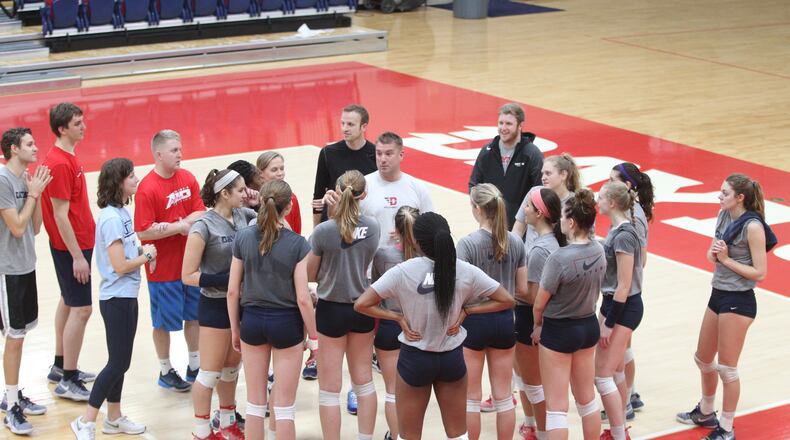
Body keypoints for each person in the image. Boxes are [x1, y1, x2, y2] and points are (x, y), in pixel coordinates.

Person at [355, 212, 515, 440]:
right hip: (451, 357)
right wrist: (468, 310)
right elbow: (507, 299)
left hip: (415, 359)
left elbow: (362, 304)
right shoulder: (464, 270)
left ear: (416, 242)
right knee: (458, 435)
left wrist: (397, 317)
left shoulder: (404, 271)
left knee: (408, 436)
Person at [677, 174, 775, 440]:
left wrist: (726, 260)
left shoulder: (752, 226)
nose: (719, 197)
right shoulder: (723, 216)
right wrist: (716, 255)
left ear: (740, 197)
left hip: (739, 299)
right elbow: (712, 254)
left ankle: (727, 427)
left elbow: (760, 272)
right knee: (703, 358)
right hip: (718, 292)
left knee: (727, 368)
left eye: (724, 193)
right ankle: (706, 411)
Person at [228, 180, 318, 440]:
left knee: (255, 406)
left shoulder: (243, 237)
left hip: (252, 322)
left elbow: (234, 290)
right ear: (288, 207)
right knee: (284, 408)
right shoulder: (298, 243)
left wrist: (236, 328)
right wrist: (313, 338)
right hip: (286, 324)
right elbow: (303, 297)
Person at [71, 158, 153, 440]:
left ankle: (114, 418)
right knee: (117, 362)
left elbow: (125, 254)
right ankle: (86, 420)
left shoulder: (121, 212)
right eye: (131, 176)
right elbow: (120, 266)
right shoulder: (110, 219)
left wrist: (140, 250)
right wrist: (147, 256)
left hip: (126, 295)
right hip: (116, 298)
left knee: (122, 360)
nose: (136, 178)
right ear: (118, 182)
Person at [182, 169, 256, 440]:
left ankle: (227, 422)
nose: (245, 193)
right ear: (224, 193)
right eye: (240, 190)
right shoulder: (203, 227)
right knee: (209, 373)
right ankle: (201, 432)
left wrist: (260, 201)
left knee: (230, 369)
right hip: (214, 304)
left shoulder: (244, 215)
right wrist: (228, 279)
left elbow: (270, 224)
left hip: (240, 303)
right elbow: (187, 275)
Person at [307, 170, 380, 440]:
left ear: (336, 192)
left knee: (329, 387)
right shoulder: (373, 226)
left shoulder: (324, 230)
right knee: (363, 381)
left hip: (330, 310)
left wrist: (330, 215)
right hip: (361, 307)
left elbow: (309, 274)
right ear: (365, 195)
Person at [134, 129, 206, 391]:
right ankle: (165, 370)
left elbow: (200, 210)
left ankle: (195, 365)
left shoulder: (187, 178)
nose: (180, 154)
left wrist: (181, 223)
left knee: (195, 316)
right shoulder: (147, 189)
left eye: (180, 149)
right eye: (174, 150)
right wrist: (178, 228)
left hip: (191, 264)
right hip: (163, 269)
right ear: (159, 154)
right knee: (163, 322)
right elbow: (142, 230)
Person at [532, 190, 604, 440]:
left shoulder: (559, 258)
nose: (559, 221)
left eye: (562, 216)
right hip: (588, 326)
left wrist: (537, 325)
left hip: (559, 331)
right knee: (587, 401)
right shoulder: (599, 249)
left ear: (571, 223)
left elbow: (539, 303)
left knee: (557, 409)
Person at [456, 184, 525, 440]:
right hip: (505, 321)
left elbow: (459, 291)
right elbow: (520, 289)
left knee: (471, 398)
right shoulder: (515, 241)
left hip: (474, 321)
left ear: (477, 209)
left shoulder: (467, 244)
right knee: (504, 397)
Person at [41, 103, 98, 401]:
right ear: (62, 128)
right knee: (82, 309)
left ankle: (61, 366)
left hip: (74, 243)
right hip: (72, 247)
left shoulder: (66, 157)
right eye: (77, 123)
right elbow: (60, 214)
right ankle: (69, 379)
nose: (83, 126)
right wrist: (77, 256)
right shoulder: (60, 163)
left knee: (67, 300)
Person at [0, 128, 51, 435]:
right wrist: (33, 194)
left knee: (19, 336)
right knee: (14, 337)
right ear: (14, 149)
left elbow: (35, 228)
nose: (36, 148)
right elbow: (17, 228)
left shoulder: (25, 180)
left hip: (25, 266)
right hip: (7, 271)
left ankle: (13, 394)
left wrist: (38, 192)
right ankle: (11, 405)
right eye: (30, 144)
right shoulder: (3, 180)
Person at [516, 187, 567, 440]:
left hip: (528, 318)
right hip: (540, 319)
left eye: (528, 206)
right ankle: (534, 428)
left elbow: (533, 296)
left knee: (534, 386)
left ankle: (544, 434)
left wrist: (506, 290)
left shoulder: (539, 250)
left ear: (539, 213)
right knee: (529, 381)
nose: (524, 210)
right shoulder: (551, 241)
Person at [596, 181, 644, 440]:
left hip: (623, 308)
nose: (597, 200)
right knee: (612, 371)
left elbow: (624, 286)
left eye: (601, 197)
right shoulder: (617, 230)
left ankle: (619, 432)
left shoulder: (624, 235)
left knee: (603, 374)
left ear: (612, 203)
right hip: (613, 304)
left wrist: (609, 323)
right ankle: (619, 426)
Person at [607, 162, 654, 418]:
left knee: (620, 349)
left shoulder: (633, 216)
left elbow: (641, 258)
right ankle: (631, 395)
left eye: (612, 180)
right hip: (624, 289)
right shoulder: (627, 212)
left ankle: (627, 398)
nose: (606, 183)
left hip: (625, 292)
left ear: (626, 186)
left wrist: (623, 277)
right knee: (622, 347)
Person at [371, 205, 421, 440]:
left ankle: (397, 435)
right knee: (415, 391)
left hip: (391, 326)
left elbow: (375, 293)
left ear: (396, 231)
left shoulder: (383, 255)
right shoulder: (428, 257)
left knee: (392, 391)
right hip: (420, 328)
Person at [468, 103, 543, 229]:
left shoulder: (532, 154)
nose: (503, 128)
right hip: (490, 226)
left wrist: (525, 221)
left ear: (520, 125)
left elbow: (539, 191)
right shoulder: (487, 152)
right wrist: (479, 213)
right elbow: (474, 184)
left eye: (508, 124)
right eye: (500, 123)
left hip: (521, 229)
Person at [360, 132, 433, 248]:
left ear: (401, 155)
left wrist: (411, 234)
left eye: (388, 154)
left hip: (409, 260)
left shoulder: (417, 187)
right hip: (371, 261)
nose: (382, 159)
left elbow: (431, 226)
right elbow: (349, 225)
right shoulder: (362, 185)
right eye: (379, 154)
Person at [312, 104, 376, 227]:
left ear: (364, 127)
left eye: (350, 124)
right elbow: (318, 196)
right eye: (342, 123)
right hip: (334, 222)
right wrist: (316, 229)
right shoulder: (328, 153)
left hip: (365, 223)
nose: (344, 128)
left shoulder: (376, 154)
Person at [513, 153, 581, 251]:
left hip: (557, 261)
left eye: (548, 173)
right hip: (528, 260)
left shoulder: (575, 202)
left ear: (563, 175)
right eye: (542, 173)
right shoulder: (534, 192)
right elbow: (518, 230)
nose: (543, 177)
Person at [256, 152, 302, 237]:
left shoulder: (292, 198)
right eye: (274, 170)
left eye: (282, 168)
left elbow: (296, 233)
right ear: (260, 173)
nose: (280, 173)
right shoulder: (252, 200)